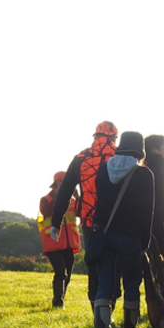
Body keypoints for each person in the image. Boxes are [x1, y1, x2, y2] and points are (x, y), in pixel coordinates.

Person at [90, 131, 156, 328]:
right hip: (131, 236)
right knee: (131, 281)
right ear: (140, 149)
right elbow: (148, 212)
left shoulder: (102, 169)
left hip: (105, 233)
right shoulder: (144, 174)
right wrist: (145, 241)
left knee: (106, 280)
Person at [51, 122, 119, 306]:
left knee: (94, 262)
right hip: (117, 221)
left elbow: (65, 190)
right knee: (114, 264)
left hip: (90, 221)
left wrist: (56, 222)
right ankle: (110, 307)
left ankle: (97, 314)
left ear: (95, 136)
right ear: (114, 138)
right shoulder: (120, 156)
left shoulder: (81, 157)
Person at [38, 170, 81, 307]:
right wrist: (59, 198)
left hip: (69, 244)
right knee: (60, 271)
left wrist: (78, 197)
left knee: (67, 274)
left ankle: (60, 298)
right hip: (53, 243)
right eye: (62, 182)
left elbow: (82, 212)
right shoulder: (46, 200)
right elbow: (46, 212)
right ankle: (57, 302)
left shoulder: (74, 201)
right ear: (55, 184)